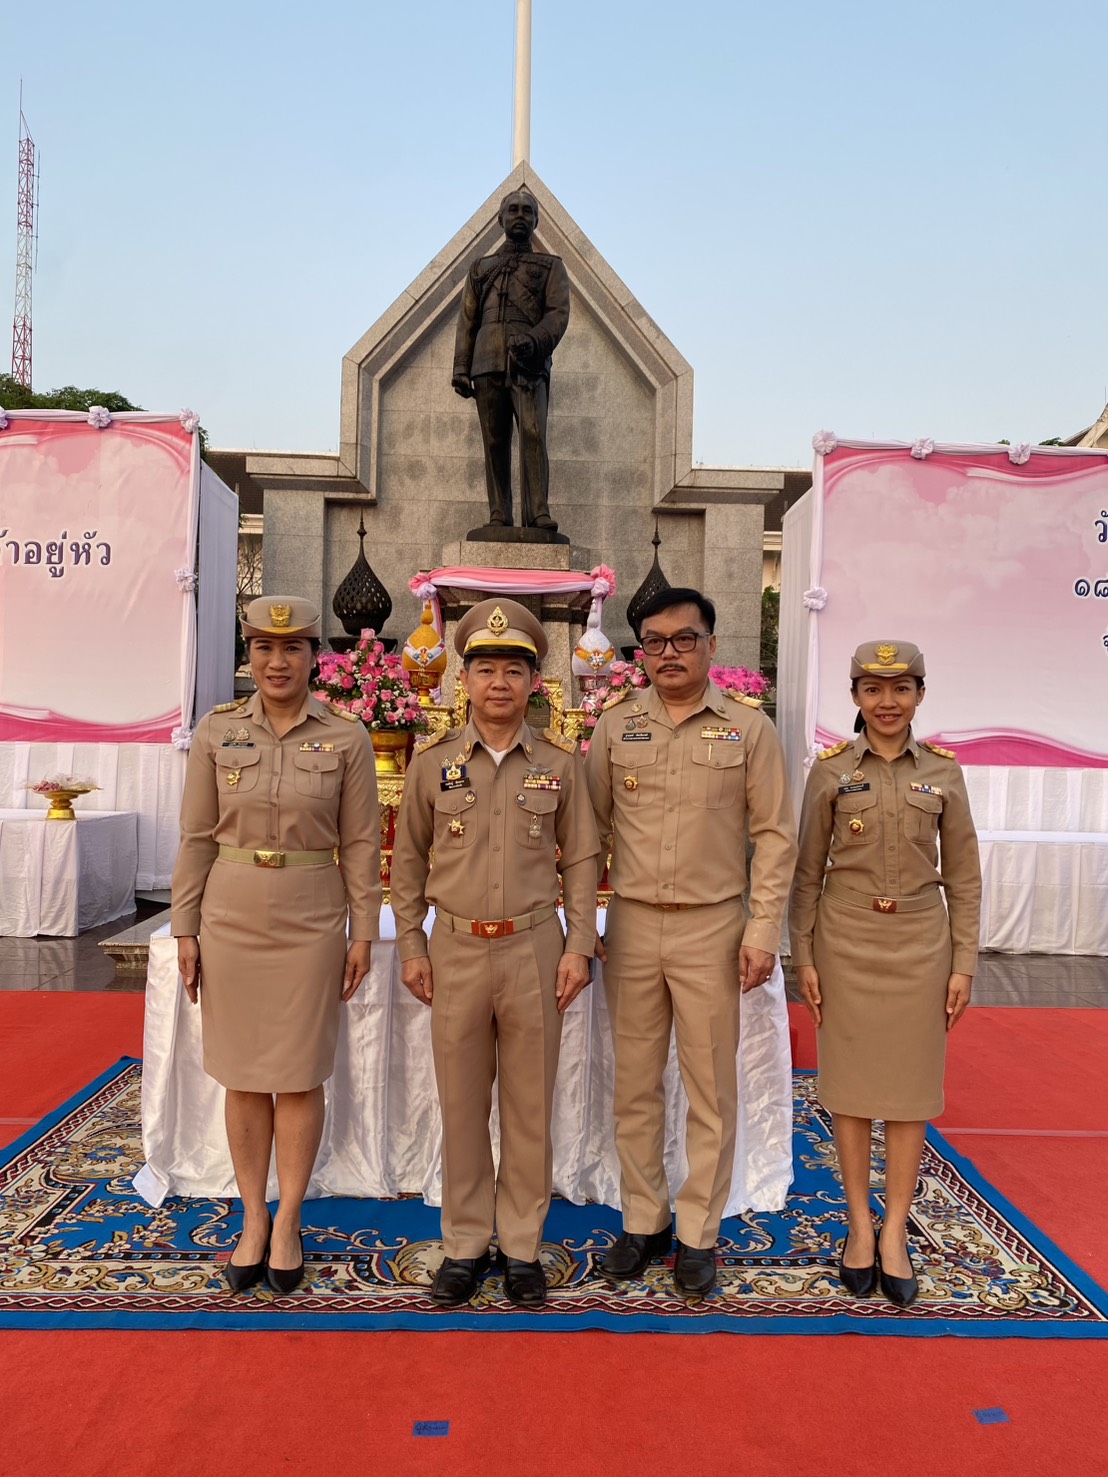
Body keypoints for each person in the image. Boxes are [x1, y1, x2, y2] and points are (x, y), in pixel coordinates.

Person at [584, 587, 797, 1296]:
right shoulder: (615, 729)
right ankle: (644, 1218)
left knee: (710, 1087)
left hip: (714, 926)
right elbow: (590, 835)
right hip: (636, 925)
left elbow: (774, 837)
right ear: (640, 650)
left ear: (711, 643)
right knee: (635, 1084)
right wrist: (584, 924)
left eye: (683, 638)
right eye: (654, 641)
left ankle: (699, 1229)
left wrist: (762, 929)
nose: (668, 652)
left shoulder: (747, 730)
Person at [390, 598, 600, 1308]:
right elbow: (407, 862)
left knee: (529, 1104)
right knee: (460, 1101)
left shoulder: (561, 765)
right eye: (485, 669)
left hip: (534, 948)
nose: (499, 682)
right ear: (464, 680)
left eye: (514, 669)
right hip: (453, 948)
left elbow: (583, 860)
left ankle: (519, 1245)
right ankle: (464, 1242)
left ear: (534, 680)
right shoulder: (432, 764)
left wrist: (580, 943)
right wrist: (412, 943)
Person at [171, 597, 381, 1295]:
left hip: (311, 917)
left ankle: (288, 1216)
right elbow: (198, 837)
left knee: (298, 1072)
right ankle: (252, 1215)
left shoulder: (345, 737)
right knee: (242, 1073)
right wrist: (185, 926)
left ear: (314, 656)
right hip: (231, 914)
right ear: (249, 654)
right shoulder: (216, 731)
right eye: (263, 647)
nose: (276, 661)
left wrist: (362, 928)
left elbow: (359, 842)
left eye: (291, 648)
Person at [790, 640, 981, 1307]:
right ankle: (859, 1226)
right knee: (850, 1088)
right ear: (855, 698)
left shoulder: (946, 774)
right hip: (846, 941)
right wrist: (805, 955)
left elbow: (963, 874)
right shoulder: (831, 771)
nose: (888, 702)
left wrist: (964, 962)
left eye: (901, 688)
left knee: (908, 1090)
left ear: (921, 694)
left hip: (922, 945)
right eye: (873, 689)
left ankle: (895, 1229)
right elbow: (806, 872)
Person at [452, 189, 570, 535]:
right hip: (486, 362)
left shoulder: (551, 267)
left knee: (533, 434)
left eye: (527, 211)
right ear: (500, 219)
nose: (520, 215)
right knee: (494, 441)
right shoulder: (481, 268)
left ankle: (537, 514)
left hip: (528, 364)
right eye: (513, 210)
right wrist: (461, 366)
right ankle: (499, 513)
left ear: (536, 221)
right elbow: (468, 320)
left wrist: (533, 341)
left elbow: (557, 315)